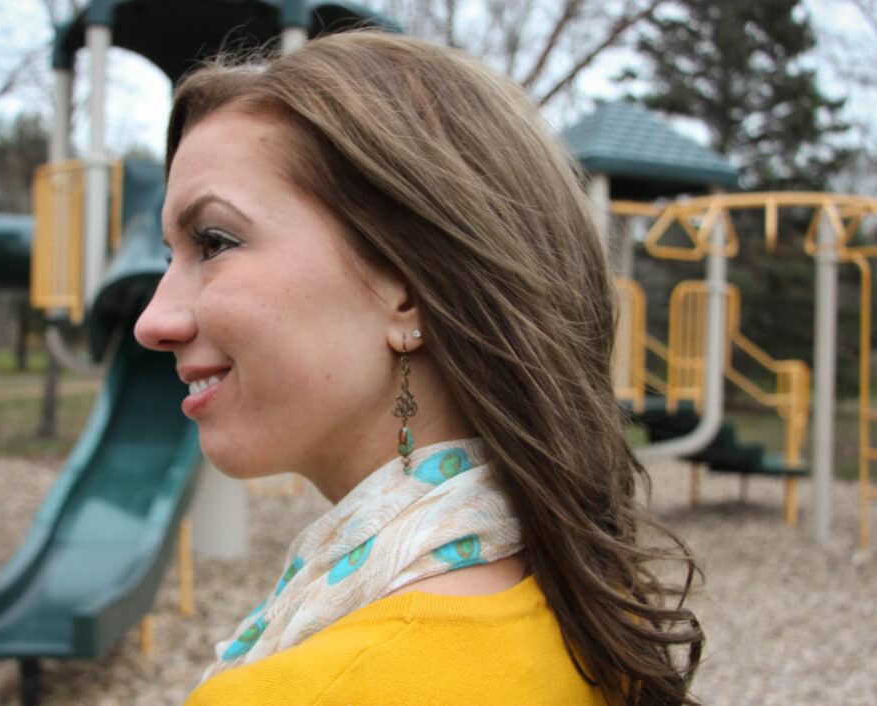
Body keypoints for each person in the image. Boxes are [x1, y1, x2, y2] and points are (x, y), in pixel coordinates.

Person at [134, 30, 702, 706]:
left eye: (214, 242)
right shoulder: (597, 619)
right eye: (170, 252)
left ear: (407, 289)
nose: (152, 320)